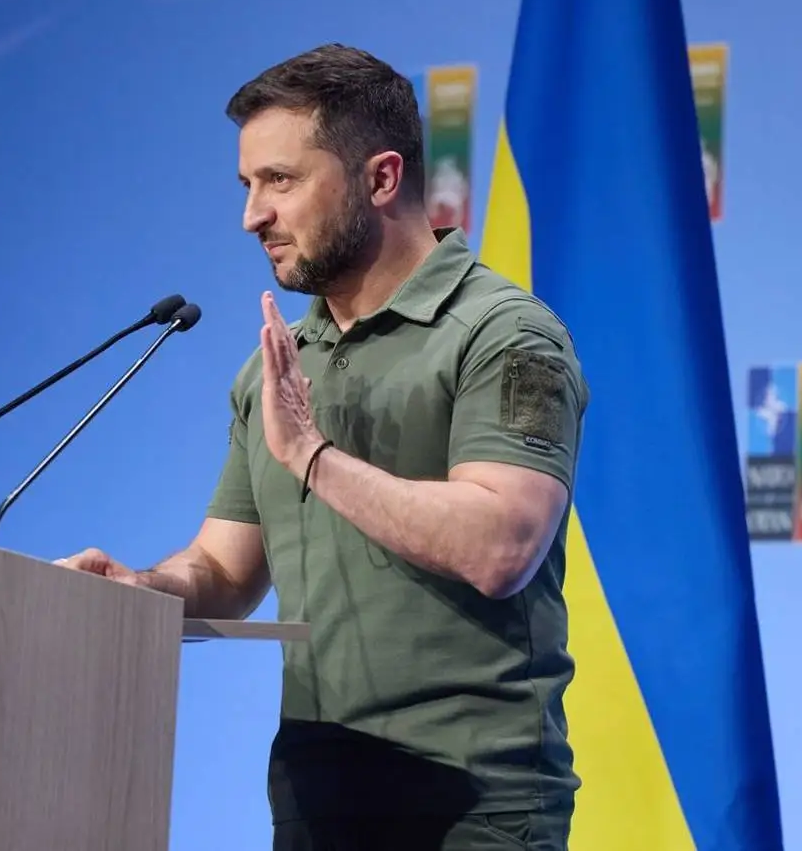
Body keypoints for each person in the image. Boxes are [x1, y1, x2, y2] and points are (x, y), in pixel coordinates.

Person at [55, 43, 589, 851]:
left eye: (281, 180)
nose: (252, 216)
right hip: (314, 805)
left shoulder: (504, 335)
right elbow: (224, 572)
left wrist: (312, 455)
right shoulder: (276, 368)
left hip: (476, 808)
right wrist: (143, 590)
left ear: (381, 179)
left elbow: (501, 546)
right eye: (247, 185)